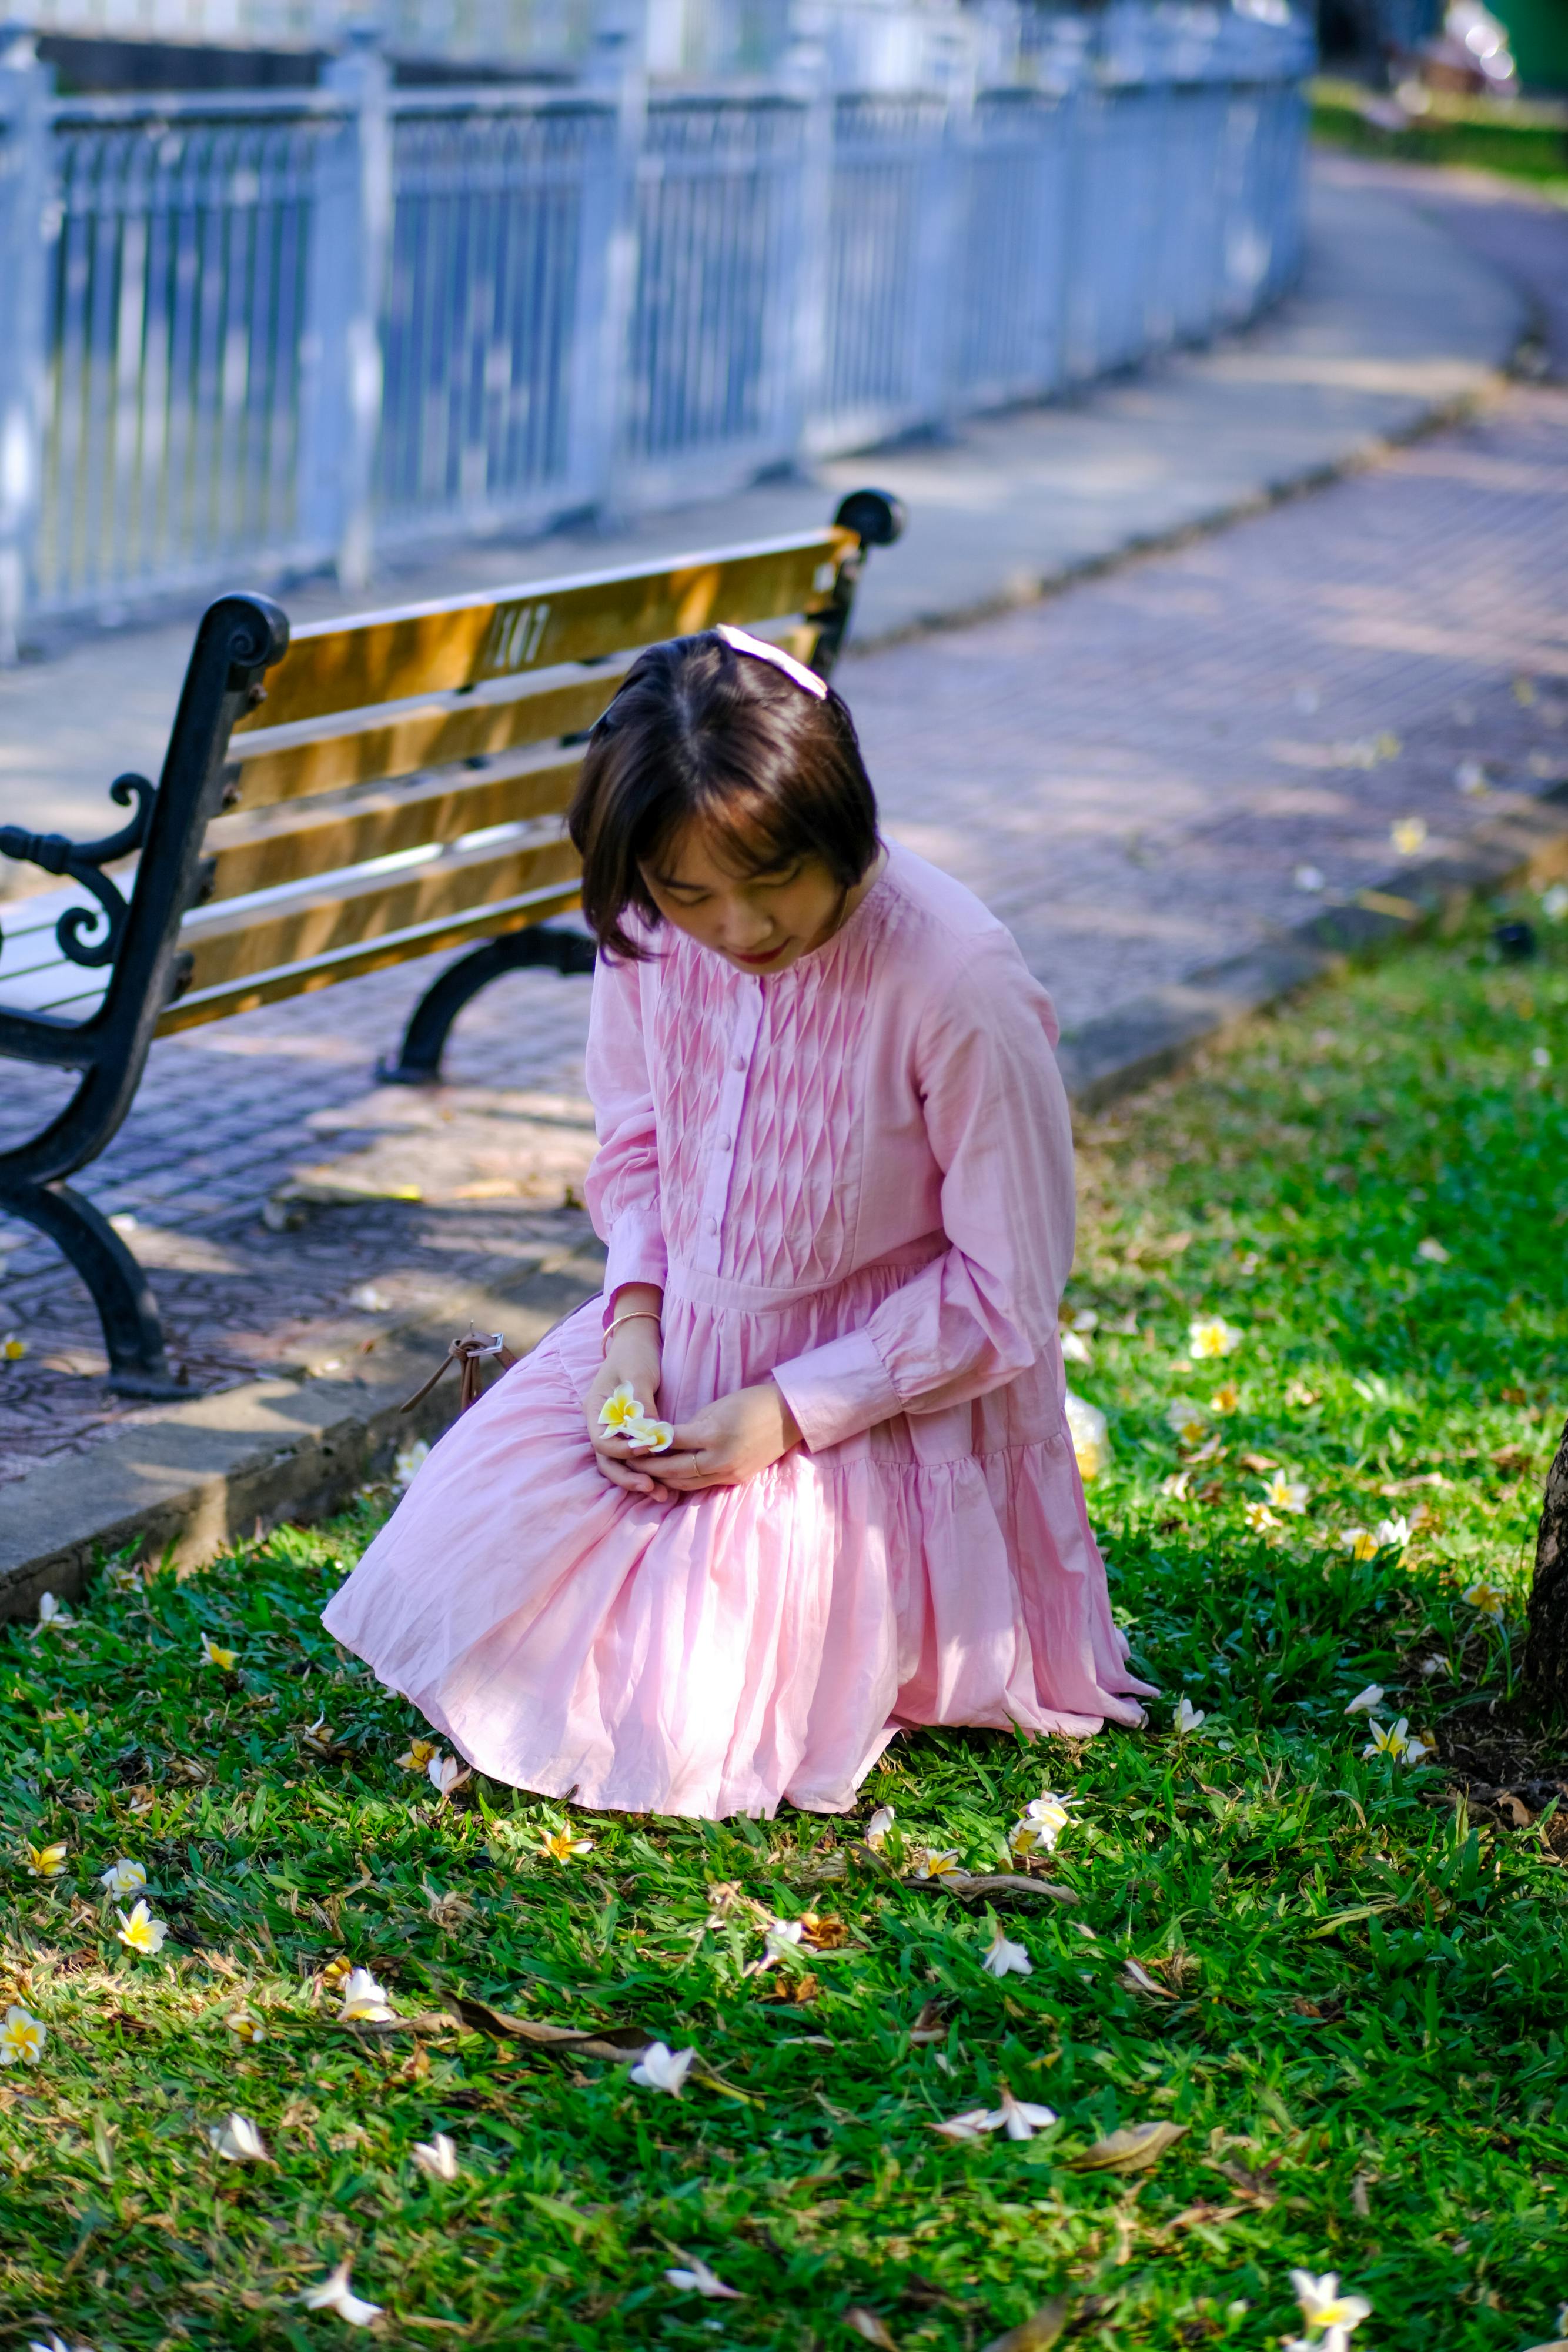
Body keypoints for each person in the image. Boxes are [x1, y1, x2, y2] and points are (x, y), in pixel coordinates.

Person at [322, 624, 1152, 1818]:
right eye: (688, 891)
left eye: (772, 879)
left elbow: (1005, 1288)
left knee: (679, 1709)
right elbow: (639, 1145)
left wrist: (785, 1412)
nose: (738, 927)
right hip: (683, 1346)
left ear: (838, 820)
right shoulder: (653, 936)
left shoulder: (955, 980)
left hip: (879, 1394)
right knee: (457, 1581)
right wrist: (630, 1329)